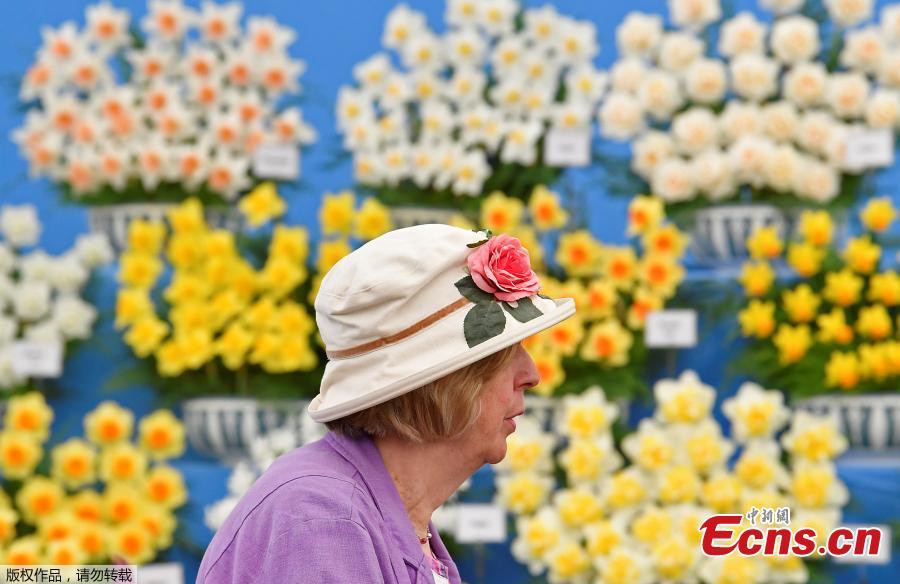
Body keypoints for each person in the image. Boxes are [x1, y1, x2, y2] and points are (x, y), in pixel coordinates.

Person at [197, 224, 576, 583]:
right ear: (445, 383)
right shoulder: (326, 519)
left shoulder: (368, 511)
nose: (531, 374)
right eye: (505, 352)